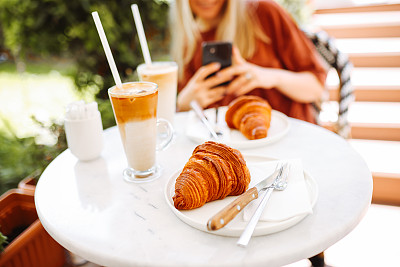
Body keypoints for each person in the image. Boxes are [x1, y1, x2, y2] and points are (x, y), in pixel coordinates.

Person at [169, 0, 328, 124]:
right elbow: (188, 124)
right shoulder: (187, 45)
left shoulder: (265, 13)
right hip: (228, 151)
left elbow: (316, 88)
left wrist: (270, 77)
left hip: (290, 141)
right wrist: (183, 104)